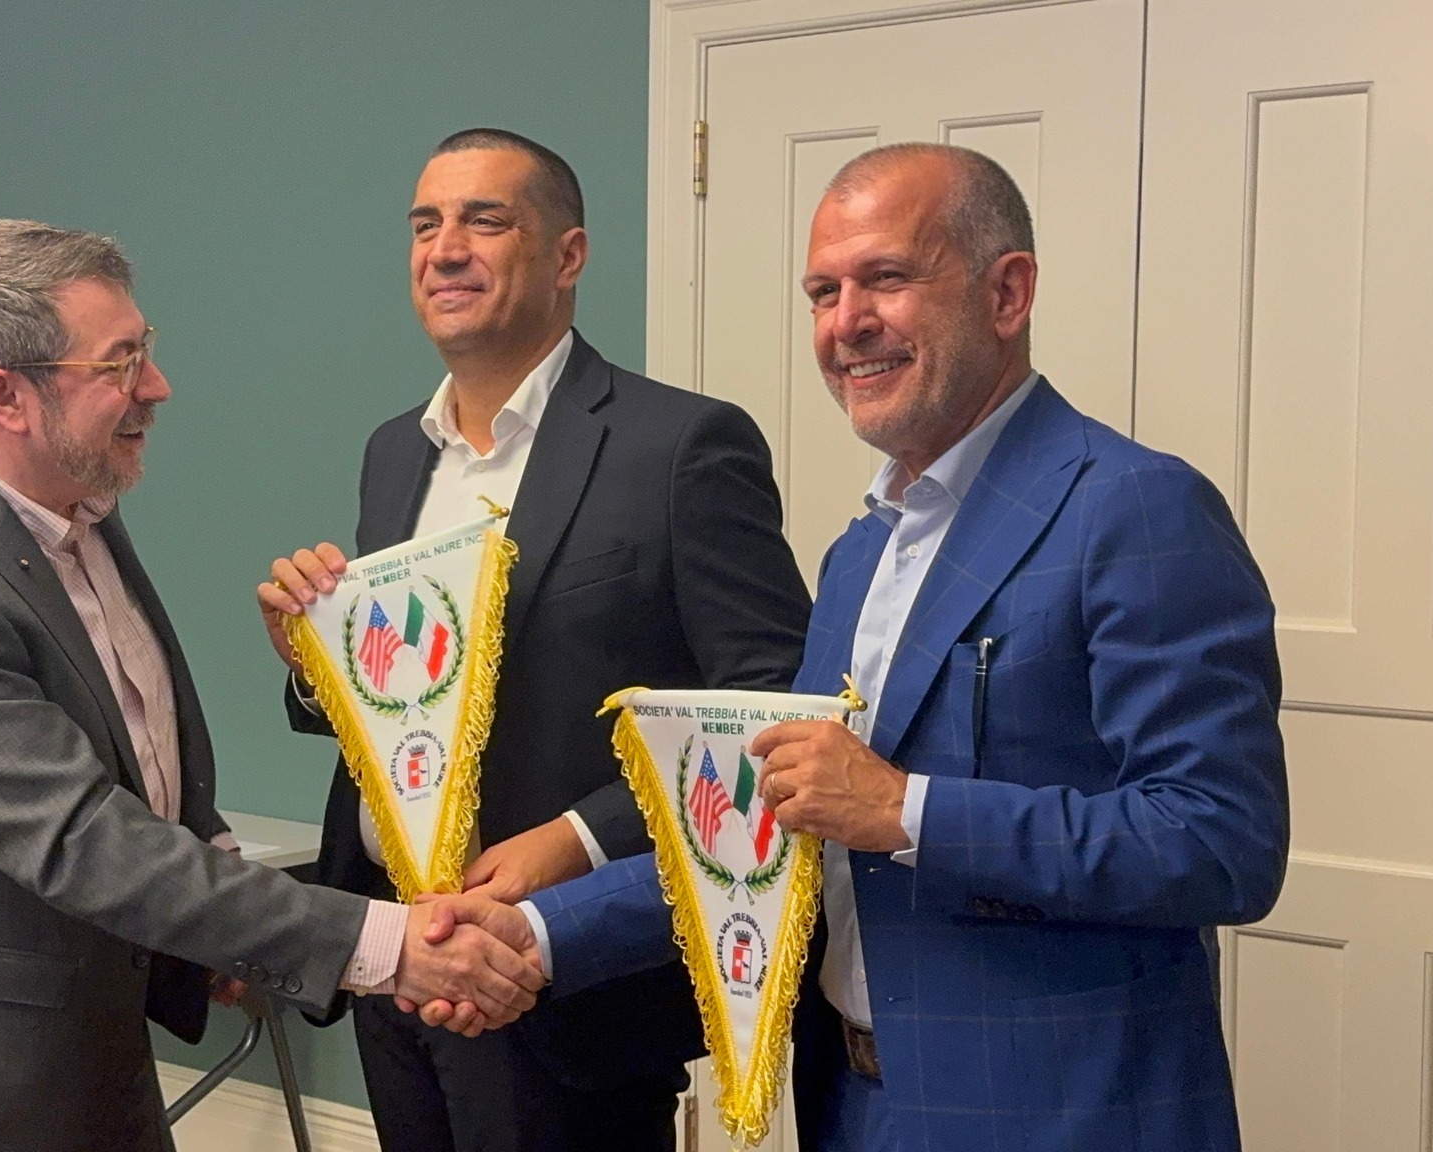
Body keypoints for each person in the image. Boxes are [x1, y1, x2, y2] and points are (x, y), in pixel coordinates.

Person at [419, 144, 1289, 1151]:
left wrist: (902, 809)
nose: (846, 323)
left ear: (1007, 294)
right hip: (852, 1105)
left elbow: (1219, 842)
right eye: (822, 293)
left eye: (886, 278)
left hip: (1064, 1116)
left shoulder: (1133, 507)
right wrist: (536, 932)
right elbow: (770, 832)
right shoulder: (859, 554)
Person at [0, 219, 543, 1152]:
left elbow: (138, 741)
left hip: (92, 1044)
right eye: (120, 363)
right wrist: (385, 947)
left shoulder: (78, 501)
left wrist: (216, 896)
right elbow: (82, 837)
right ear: (6, 396)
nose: (156, 386)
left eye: (146, 349)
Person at [258, 130, 812, 1152]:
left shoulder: (679, 445)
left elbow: (768, 707)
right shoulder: (394, 453)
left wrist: (575, 840)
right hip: (397, 955)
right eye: (425, 224)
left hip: (563, 988)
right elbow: (413, 703)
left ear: (568, 255)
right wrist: (314, 668)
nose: (444, 249)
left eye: (485, 220)